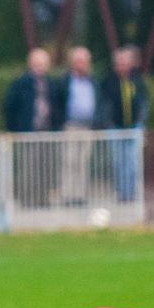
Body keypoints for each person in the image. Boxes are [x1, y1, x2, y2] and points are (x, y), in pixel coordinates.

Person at [4, 48, 58, 208]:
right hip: (27, 131)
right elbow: (10, 107)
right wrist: (15, 129)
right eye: (37, 64)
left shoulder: (50, 83)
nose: (40, 67)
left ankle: (43, 198)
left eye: (43, 64)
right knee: (28, 167)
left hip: (46, 131)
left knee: (45, 167)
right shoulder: (21, 83)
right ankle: (27, 199)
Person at [98, 47, 148, 202]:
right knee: (118, 162)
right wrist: (108, 123)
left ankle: (132, 193)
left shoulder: (137, 80)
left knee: (133, 162)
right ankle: (122, 193)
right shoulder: (108, 81)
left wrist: (140, 122)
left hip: (133, 127)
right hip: (115, 127)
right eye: (120, 63)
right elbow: (104, 104)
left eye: (126, 62)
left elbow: (144, 103)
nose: (123, 66)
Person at [52, 46, 97, 205]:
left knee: (83, 162)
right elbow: (57, 103)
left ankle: (80, 195)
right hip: (70, 126)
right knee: (69, 161)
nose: (81, 64)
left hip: (88, 127)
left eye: (84, 61)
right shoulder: (65, 81)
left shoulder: (92, 81)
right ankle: (68, 195)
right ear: (72, 63)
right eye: (78, 61)